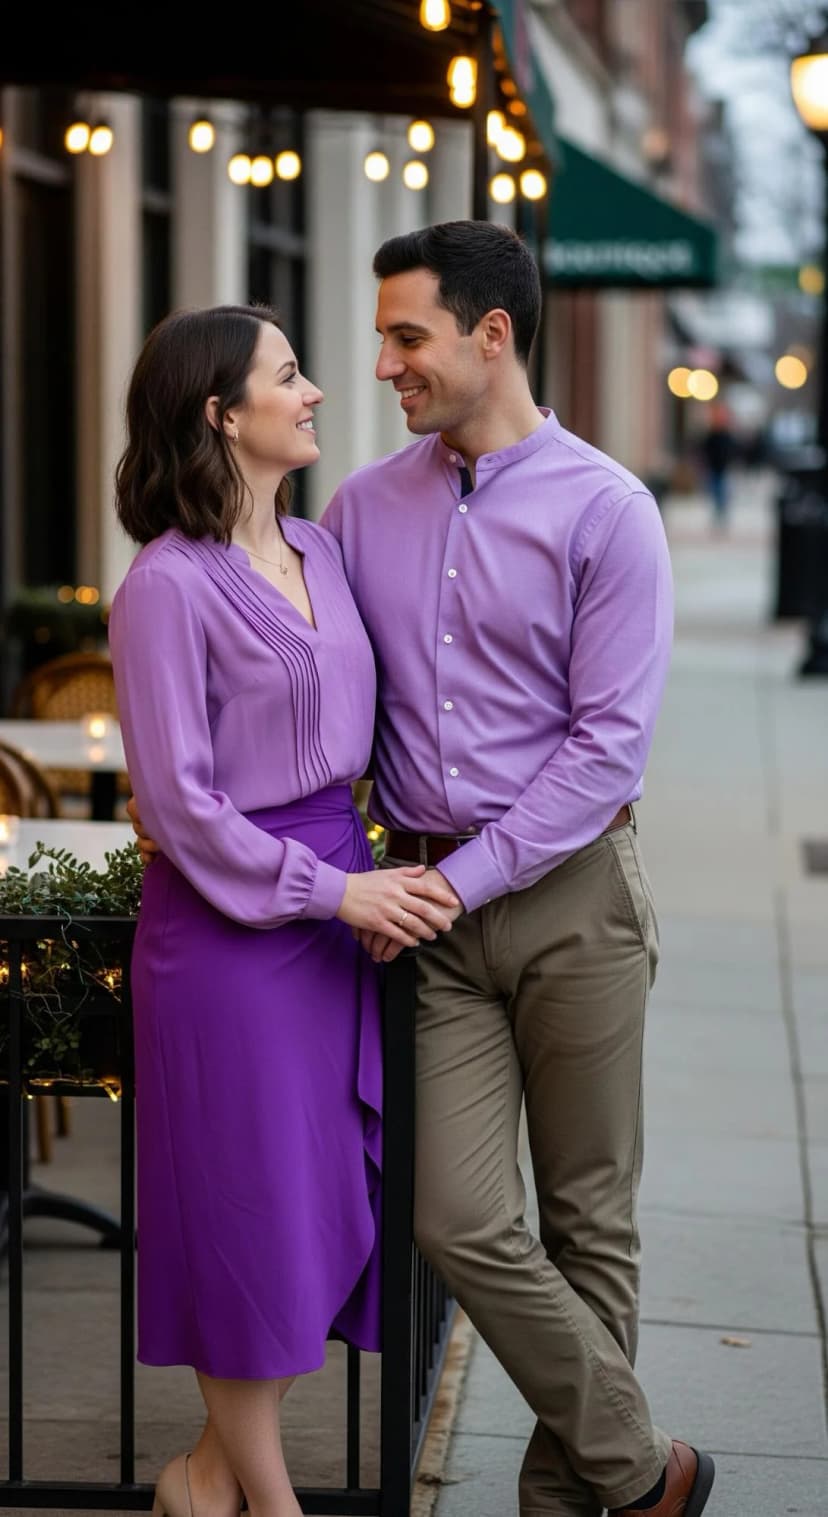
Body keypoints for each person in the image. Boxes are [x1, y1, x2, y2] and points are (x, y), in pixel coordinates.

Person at [131, 224, 716, 1517]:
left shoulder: (608, 511)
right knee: (453, 1217)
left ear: (488, 336)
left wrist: (463, 872)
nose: (380, 365)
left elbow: (609, 744)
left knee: (587, 1215)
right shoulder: (355, 512)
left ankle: (576, 1498)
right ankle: (647, 1466)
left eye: (406, 337)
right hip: (421, 908)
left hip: (568, 895)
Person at [109, 304, 459, 1517]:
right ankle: (271, 1501)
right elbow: (181, 806)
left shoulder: (322, 551)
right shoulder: (164, 584)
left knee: (321, 1209)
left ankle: (203, 1477)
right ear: (221, 412)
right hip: (227, 931)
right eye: (289, 374)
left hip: (337, 912)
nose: (316, 391)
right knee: (246, 1216)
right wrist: (335, 886)